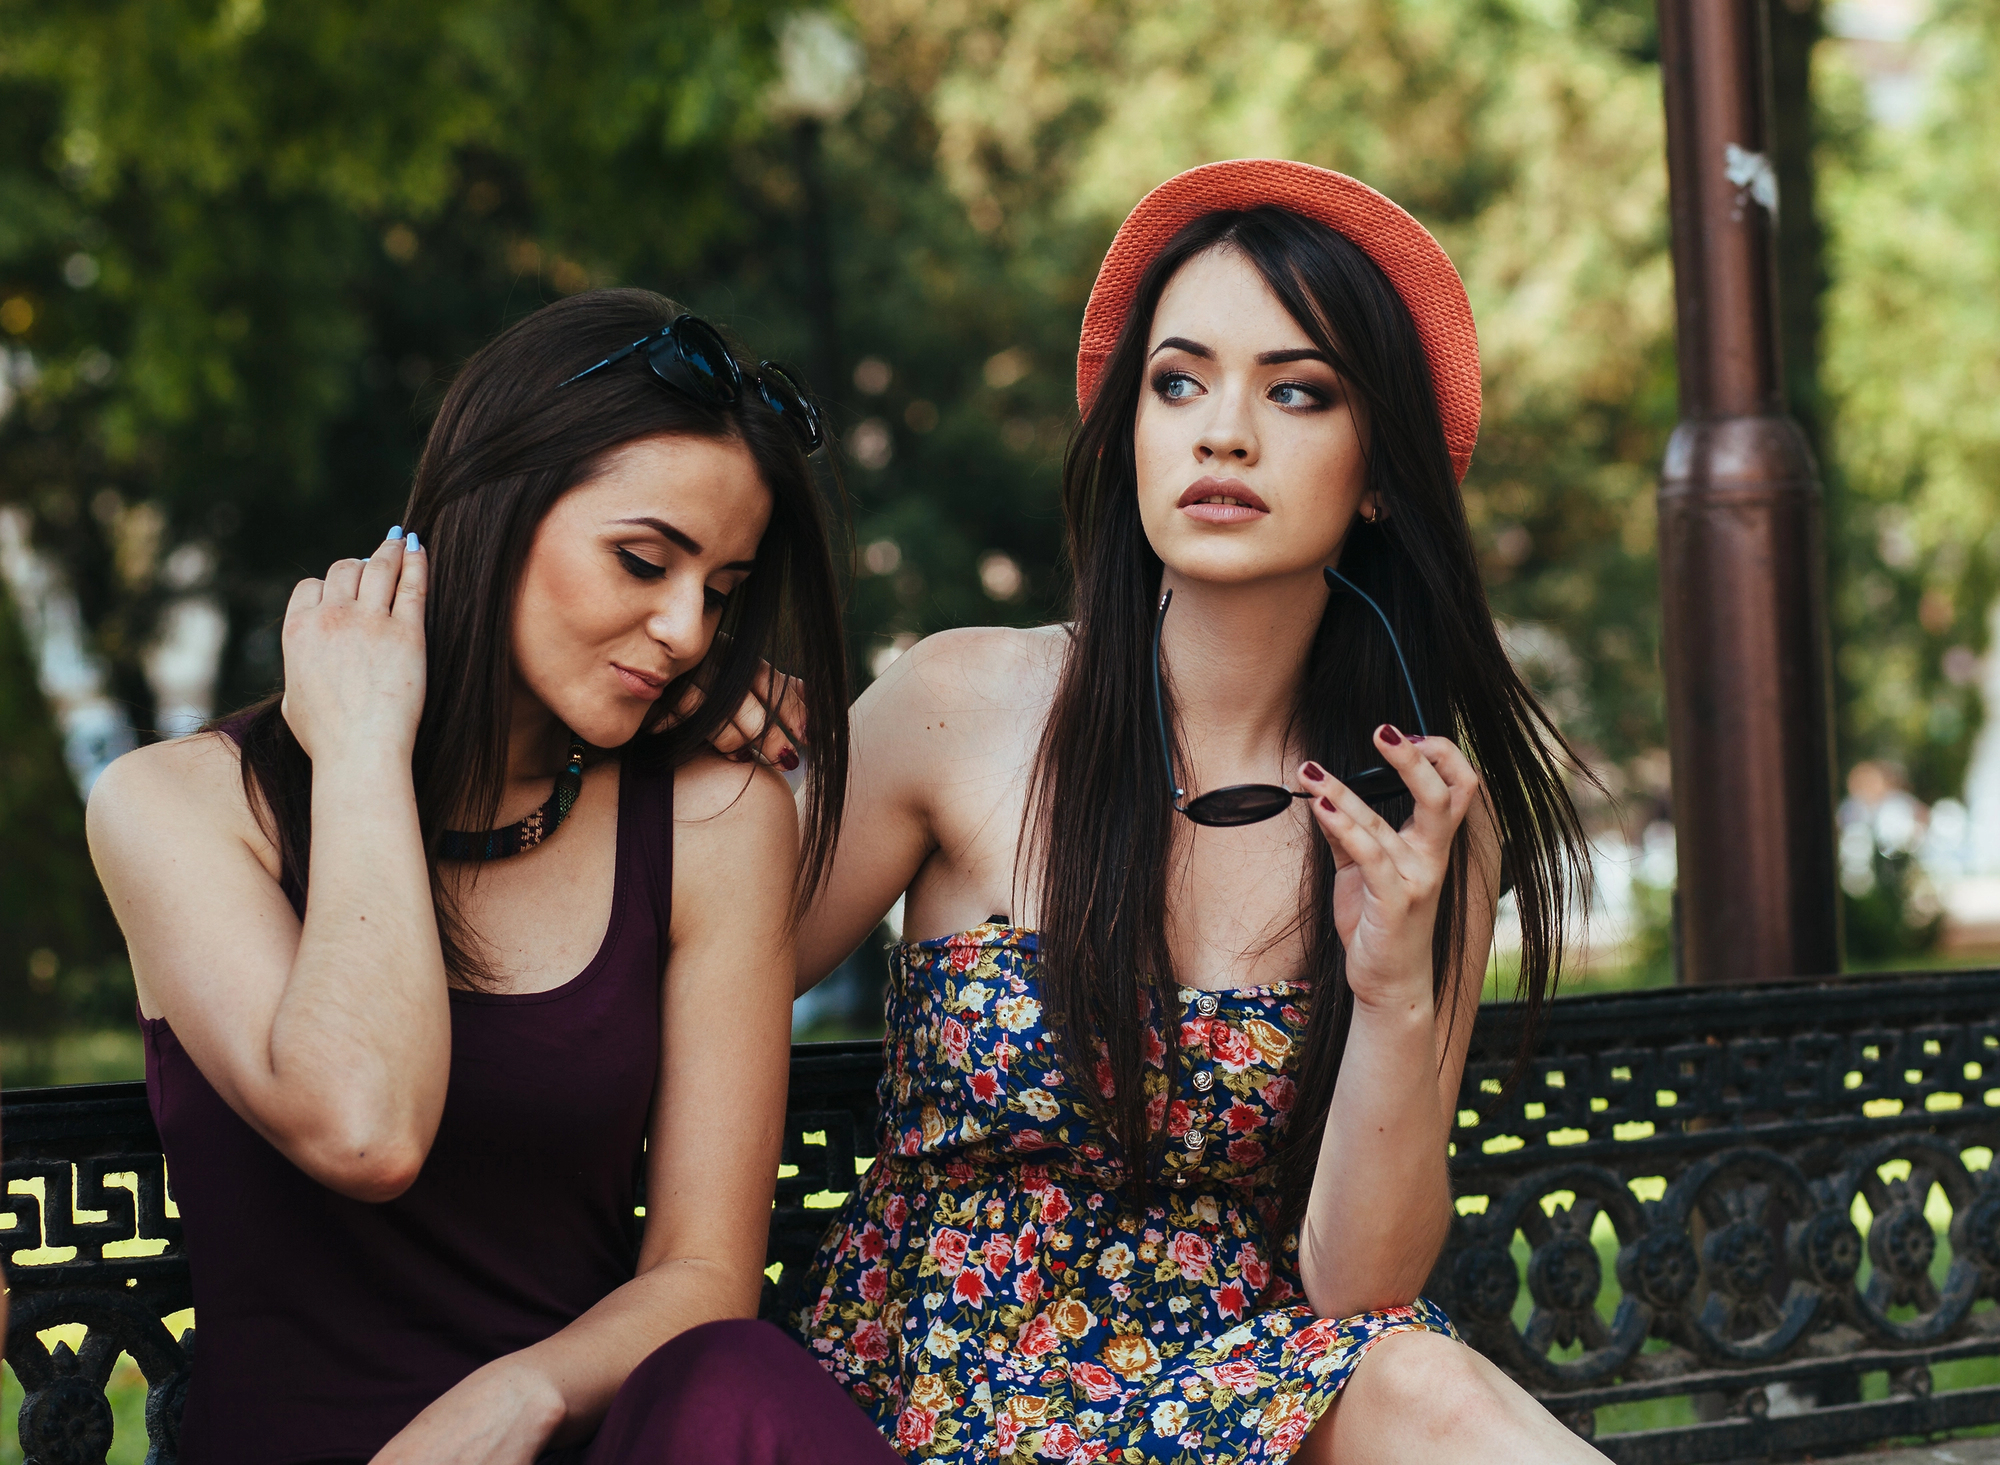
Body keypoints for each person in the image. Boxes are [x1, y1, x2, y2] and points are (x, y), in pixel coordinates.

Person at [773, 161, 1610, 1463]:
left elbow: (1356, 1294)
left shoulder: (1421, 820)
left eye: (1296, 390)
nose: (1224, 432)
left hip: (1244, 1390)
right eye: (1179, 382)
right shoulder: (959, 702)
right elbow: (701, 971)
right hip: (951, 1394)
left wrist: (1391, 991)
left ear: (1378, 473)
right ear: (1130, 437)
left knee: (1423, 1383)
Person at [85, 289, 898, 1464]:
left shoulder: (714, 821)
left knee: (739, 1373)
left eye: (719, 593)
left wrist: (513, 1397)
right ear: (492, 507)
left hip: (583, 1438)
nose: (682, 628)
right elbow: (364, 1129)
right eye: (642, 560)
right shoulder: (184, 807)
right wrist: (363, 747)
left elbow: (702, 1272)